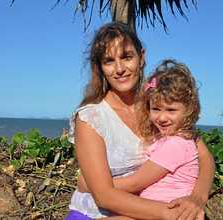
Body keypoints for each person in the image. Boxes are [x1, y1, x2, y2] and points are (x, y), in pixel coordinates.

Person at [66, 22, 215, 220]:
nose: (119, 69)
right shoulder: (91, 118)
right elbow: (103, 196)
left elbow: (203, 155)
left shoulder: (158, 104)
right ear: (100, 68)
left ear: (141, 57)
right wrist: (172, 215)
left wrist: (197, 198)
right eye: (109, 61)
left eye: (127, 57)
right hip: (97, 214)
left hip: (148, 212)